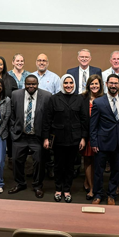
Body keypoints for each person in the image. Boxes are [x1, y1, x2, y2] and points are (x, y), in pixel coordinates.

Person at [43, 74, 87, 203]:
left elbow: (84, 121)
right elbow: (47, 120)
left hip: (74, 139)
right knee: (58, 165)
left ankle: (67, 190)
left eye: (71, 83)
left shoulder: (79, 99)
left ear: (74, 84)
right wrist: (46, 138)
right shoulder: (54, 99)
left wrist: (83, 138)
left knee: (70, 166)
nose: (68, 85)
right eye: (66, 83)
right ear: (62, 84)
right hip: (58, 139)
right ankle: (58, 189)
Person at [9, 74, 52, 198]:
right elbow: (12, 115)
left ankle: (37, 186)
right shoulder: (16, 95)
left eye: (33, 84)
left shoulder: (47, 96)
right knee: (16, 160)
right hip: (20, 135)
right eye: (28, 84)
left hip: (36, 136)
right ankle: (20, 183)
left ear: (37, 84)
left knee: (39, 161)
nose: (31, 86)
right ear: (25, 84)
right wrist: (13, 130)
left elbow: (49, 118)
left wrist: (46, 137)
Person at [90, 74, 119, 206]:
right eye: (111, 83)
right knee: (99, 171)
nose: (113, 85)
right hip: (102, 142)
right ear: (106, 84)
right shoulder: (99, 102)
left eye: (116, 83)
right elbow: (93, 125)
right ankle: (98, 194)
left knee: (116, 170)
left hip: (118, 141)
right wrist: (93, 142)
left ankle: (112, 195)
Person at [80, 74, 104, 200]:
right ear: (88, 85)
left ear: (100, 85)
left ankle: (90, 182)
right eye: (92, 84)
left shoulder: (104, 98)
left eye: (97, 84)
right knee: (88, 160)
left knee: (97, 161)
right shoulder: (82, 98)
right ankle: (91, 187)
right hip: (86, 134)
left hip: (99, 135)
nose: (94, 86)